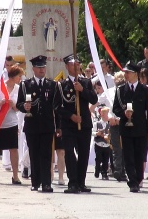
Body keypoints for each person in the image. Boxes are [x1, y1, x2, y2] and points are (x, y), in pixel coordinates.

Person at [16, 55, 61, 193]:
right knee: (34, 155)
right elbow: (19, 103)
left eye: (43, 67)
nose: (42, 70)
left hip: (47, 126)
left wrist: (58, 126)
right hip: (32, 125)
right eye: (39, 67)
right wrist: (25, 107)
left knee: (46, 155)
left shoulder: (52, 85)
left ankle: (46, 183)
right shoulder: (25, 85)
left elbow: (57, 108)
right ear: (33, 69)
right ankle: (35, 182)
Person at [58, 54, 98, 193]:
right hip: (69, 125)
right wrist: (71, 116)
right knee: (69, 153)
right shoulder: (61, 84)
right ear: (67, 66)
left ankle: (81, 181)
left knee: (84, 153)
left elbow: (94, 99)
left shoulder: (86, 82)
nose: (76, 67)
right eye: (73, 64)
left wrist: (82, 90)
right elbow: (58, 107)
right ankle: (72, 182)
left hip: (84, 124)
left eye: (78, 64)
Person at [113, 61, 148, 193]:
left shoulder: (145, 90)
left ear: (135, 74)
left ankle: (138, 178)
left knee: (140, 155)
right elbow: (115, 108)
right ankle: (133, 182)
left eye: (128, 72)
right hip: (126, 128)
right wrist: (123, 113)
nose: (126, 75)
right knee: (128, 156)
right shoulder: (120, 90)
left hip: (141, 128)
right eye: (125, 72)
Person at [0, 65, 24, 185]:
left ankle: (15, 176)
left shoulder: (19, 88)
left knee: (14, 148)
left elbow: (18, 108)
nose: (20, 78)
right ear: (13, 76)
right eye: (19, 76)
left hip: (11, 122)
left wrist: (13, 105)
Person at [93, 107, 111, 180]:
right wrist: (97, 133)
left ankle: (104, 173)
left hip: (106, 144)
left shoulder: (109, 124)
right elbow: (92, 132)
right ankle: (97, 168)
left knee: (106, 160)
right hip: (98, 144)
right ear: (102, 114)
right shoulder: (97, 123)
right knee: (98, 158)